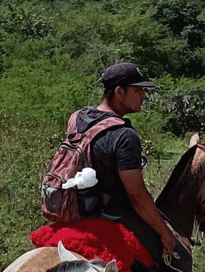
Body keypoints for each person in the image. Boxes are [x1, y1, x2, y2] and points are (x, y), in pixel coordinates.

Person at [73, 62, 191, 272]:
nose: (143, 96)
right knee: (181, 259)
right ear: (119, 92)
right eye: (138, 90)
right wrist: (165, 235)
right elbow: (137, 197)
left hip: (81, 210)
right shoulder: (124, 136)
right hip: (115, 216)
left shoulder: (78, 118)